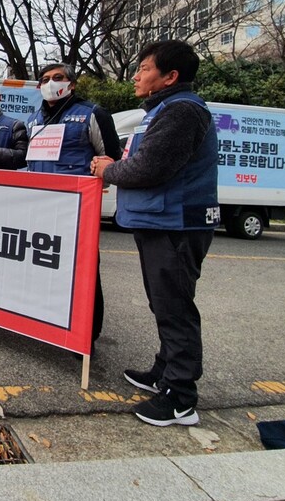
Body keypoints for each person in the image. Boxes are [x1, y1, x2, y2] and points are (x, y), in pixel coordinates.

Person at [90, 40, 219, 428]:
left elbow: (149, 169)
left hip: (176, 225)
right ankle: (164, 372)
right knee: (165, 305)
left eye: (144, 68)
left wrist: (108, 170)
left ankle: (180, 398)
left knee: (174, 309)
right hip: (162, 223)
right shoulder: (165, 109)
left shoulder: (182, 111)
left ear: (170, 76)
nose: (136, 75)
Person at [26, 64, 121, 354]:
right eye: (45, 79)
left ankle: (85, 336)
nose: (51, 83)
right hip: (40, 207)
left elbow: (111, 157)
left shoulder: (92, 114)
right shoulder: (33, 119)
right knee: (45, 267)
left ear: (72, 84)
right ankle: (49, 324)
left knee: (84, 271)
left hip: (76, 210)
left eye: (58, 78)